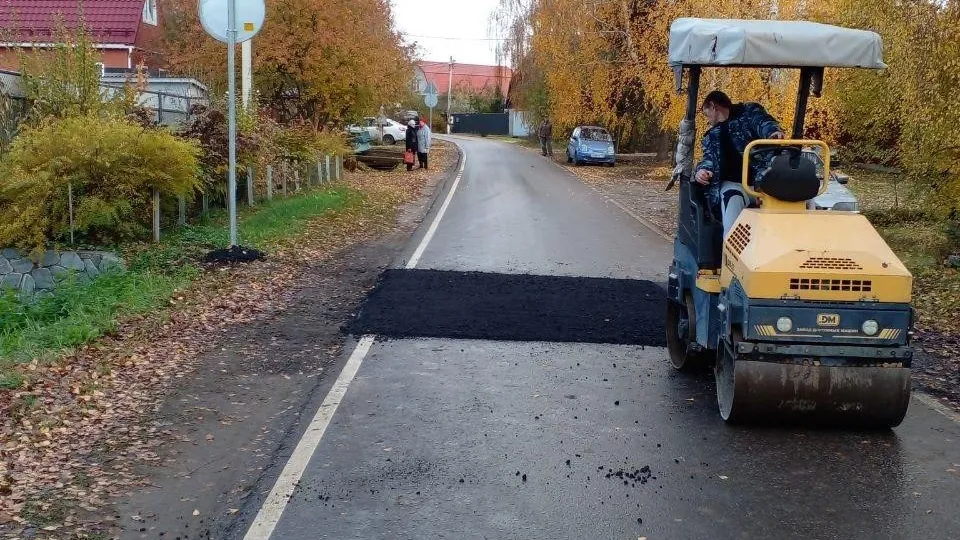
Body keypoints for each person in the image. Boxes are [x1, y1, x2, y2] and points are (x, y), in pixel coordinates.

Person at [694, 91, 785, 237]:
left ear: (712, 106)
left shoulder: (748, 113)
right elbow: (708, 160)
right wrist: (702, 170)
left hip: (764, 182)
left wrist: (773, 132)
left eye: (706, 114)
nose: (708, 120)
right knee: (732, 201)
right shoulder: (711, 136)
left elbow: (763, 123)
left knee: (799, 199)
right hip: (734, 184)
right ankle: (729, 251)